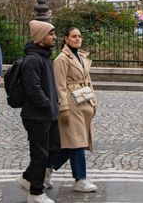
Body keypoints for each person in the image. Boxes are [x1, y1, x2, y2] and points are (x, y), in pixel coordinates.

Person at [16, 21, 60, 203]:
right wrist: (46, 104)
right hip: (36, 116)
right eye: (51, 34)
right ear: (41, 37)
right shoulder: (32, 59)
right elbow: (33, 88)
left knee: (55, 148)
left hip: (48, 114)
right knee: (40, 154)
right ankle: (35, 193)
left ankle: (27, 178)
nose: (54, 37)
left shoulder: (45, 57)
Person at [51, 28, 98, 192]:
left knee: (71, 144)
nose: (78, 39)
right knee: (77, 142)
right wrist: (63, 108)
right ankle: (80, 179)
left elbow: (88, 80)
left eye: (79, 36)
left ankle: (44, 170)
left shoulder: (82, 56)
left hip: (83, 102)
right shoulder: (61, 59)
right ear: (66, 39)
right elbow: (60, 86)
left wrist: (93, 101)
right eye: (74, 36)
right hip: (71, 104)